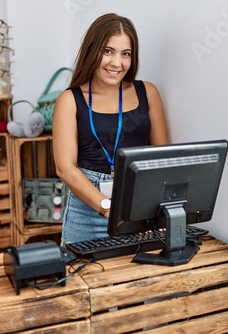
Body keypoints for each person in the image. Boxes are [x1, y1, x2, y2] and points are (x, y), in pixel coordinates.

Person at [53, 13, 169, 245]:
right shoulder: (69, 100)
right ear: (92, 50)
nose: (117, 63)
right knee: (86, 280)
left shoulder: (148, 92)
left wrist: (161, 211)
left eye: (125, 54)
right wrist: (107, 207)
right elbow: (65, 168)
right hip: (88, 213)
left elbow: (163, 158)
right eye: (108, 51)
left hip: (140, 207)